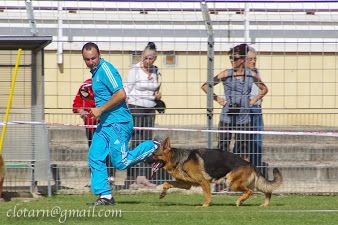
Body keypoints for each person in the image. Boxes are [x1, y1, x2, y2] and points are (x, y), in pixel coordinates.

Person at [82, 42, 161, 205]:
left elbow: (120, 94)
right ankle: (106, 196)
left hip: (119, 122)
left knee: (121, 162)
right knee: (94, 156)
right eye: (87, 59)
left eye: (94, 58)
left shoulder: (105, 69)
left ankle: (153, 146)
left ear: (100, 55)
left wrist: (101, 109)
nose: (91, 62)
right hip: (105, 124)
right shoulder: (95, 72)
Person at [201, 43, 268, 161]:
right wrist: (218, 99)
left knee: (242, 150)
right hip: (227, 117)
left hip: (244, 118)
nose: (232, 61)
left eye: (235, 58)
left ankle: (238, 176)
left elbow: (264, 89)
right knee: (222, 148)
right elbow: (206, 86)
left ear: (242, 59)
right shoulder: (226, 74)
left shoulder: (251, 75)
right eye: (231, 58)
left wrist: (252, 100)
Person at [125, 42, 161, 188]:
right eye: (145, 58)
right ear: (142, 56)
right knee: (136, 141)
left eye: (151, 58)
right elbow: (127, 89)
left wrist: (158, 95)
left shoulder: (156, 70)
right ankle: (132, 177)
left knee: (147, 142)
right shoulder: (134, 70)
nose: (148, 61)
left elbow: (156, 87)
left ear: (155, 58)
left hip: (150, 108)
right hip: (136, 108)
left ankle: (143, 176)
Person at [246, 47, 265, 173]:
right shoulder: (239, 73)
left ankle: (256, 172)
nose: (253, 61)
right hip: (246, 112)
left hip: (256, 110)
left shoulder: (255, 72)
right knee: (242, 143)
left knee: (257, 143)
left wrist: (256, 99)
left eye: (255, 59)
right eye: (250, 59)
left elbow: (263, 89)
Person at [72, 78, 97, 147]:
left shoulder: (109, 85)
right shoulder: (85, 86)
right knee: (93, 150)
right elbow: (76, 104)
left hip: (106, 126)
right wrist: (81, 111)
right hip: (90, 125)